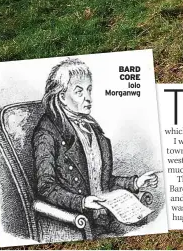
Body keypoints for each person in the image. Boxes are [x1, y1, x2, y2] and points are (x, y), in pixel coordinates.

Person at [32, 58, 158, 233]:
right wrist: (82, 202)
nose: (88, 98)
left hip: (107, 217)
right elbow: (46, 187)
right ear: (62, 96)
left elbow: (102, 181)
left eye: (89, 90)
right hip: (78, 223)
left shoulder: (91, 128)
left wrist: (135, 182)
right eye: (79, 92)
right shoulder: (47, 133)